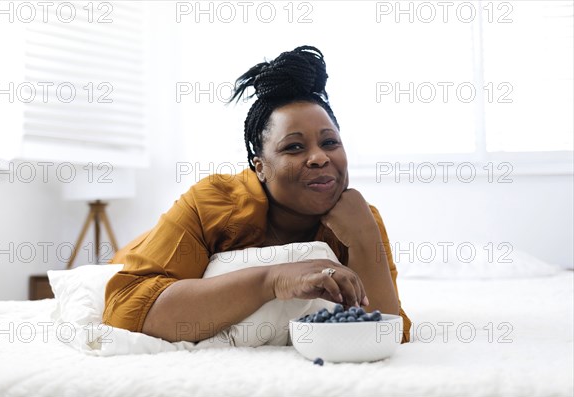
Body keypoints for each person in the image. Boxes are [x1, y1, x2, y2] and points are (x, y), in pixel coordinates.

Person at [103, 45, 412, 344]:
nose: (319, 157)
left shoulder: (360, 218)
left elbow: (387, 332)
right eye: (294, 146)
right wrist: (273, 280)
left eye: (330, 142)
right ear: (260, 167)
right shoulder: (212, 203)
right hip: (133, 255)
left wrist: (363, 237)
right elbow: (126, 308)